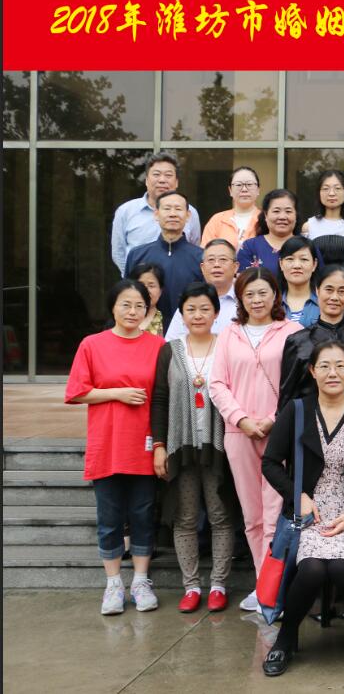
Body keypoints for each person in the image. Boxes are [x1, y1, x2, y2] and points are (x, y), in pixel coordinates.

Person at [260, 341, 344, 676]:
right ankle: (284, 641)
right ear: (312, 371)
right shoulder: (296, 412)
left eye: (341, 365)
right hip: (308, 517)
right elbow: (271, 462)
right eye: (325, 366)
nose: (333, 373)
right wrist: (297, 496)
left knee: (343, 568)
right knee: (313, 570)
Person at [66, 279, 165, 615]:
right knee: (109, 517)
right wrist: (117, 393)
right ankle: (113, 585)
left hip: (144, 443)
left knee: (142, 514)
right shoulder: (92, 344)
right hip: (107, 442)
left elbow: (164, 396)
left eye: (139, 306)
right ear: (112, 307)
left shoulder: (158, 346)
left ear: (147, 310)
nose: (132, 311)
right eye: (126, 304)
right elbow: (77, 391)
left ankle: (140, 581)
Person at [209, 266, 303, 612]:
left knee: (276, 512)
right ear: (240, 299)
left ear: (275, 295)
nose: (257, 299)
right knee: (252, 516)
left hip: (281, 432)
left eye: (263, 292)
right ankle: (264, 585)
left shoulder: (292, 331)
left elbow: (298, 385)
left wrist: (274, 420)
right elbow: (217, 384)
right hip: (240, 432)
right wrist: (242, 419)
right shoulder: (229, 334)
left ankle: (273, 589)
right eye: (249, 294)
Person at [150, 282, 234, 613]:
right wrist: (159, 445)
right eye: (191, 309)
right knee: (184, 517)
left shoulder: (227, 346)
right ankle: (191, 586)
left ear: (216, 313)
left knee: (220, 515)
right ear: (181, 314)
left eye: (205, 309)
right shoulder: (169, 350)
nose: (198, 315)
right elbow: (159, 399)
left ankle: (219, 585)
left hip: (218, 446)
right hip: (180, 446)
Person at [280, 265, 344, 408]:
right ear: (317, 291)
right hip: (308, 420)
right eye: (329, 290)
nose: (334, 297)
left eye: (341, 291)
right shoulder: (297, 342)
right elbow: (287, 398)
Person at [111, 152, 203, 273]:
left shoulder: (189, 212)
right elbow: (118, 253)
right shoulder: (126, 211)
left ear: (176, 182)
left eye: (168, 175)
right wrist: (134, 278)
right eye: (156, 174)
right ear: (146, 180)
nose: (162, 180)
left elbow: (195, 248)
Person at [124, 191, 205, 322]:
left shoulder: (201, 257)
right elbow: (127, 295)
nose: (172, 214)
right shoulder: (137, 255)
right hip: (144, 328)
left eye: (178, 209)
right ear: (156, 214)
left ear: (188, 216)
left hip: (187, 329)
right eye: (167, 209)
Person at [164, 239, 240, 340]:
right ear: (202, 268)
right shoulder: (189, 302)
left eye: (223, 259)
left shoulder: (245, 301)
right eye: (211, 260)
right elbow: (172, 343)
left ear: (235, 267)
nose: (216, 265)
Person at [238, 189, 304, 274]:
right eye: (276, 211)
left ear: (296, 215)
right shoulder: (250, 247)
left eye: (288, 211)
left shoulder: (307, 247)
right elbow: (243, 280)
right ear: (266, 215)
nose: (282, 217)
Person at [200, 166, 263, 248]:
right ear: (230, 190)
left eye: (249, 184)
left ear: (258, 189)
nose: (244, 189)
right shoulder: (217, 220)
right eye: (238, 185)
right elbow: (206, 252)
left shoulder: (266, 220)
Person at [304, 169, 344, 245]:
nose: (331, 193)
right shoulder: (309, 226)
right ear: (319, 193)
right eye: (325, 188)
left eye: (337, 188)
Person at [278, 236, 320, 328]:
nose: (297, 265)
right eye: (290, 259)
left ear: (314, 264)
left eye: (304, 259)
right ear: (281, 264)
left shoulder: (324, 303)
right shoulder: (272, 303)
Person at [129, 263, 165, 335]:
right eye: (141, 285)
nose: (146, 290)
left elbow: (175, 343)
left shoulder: (171, 324)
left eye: (151, 286)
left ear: (160, 291)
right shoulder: (118, 320)